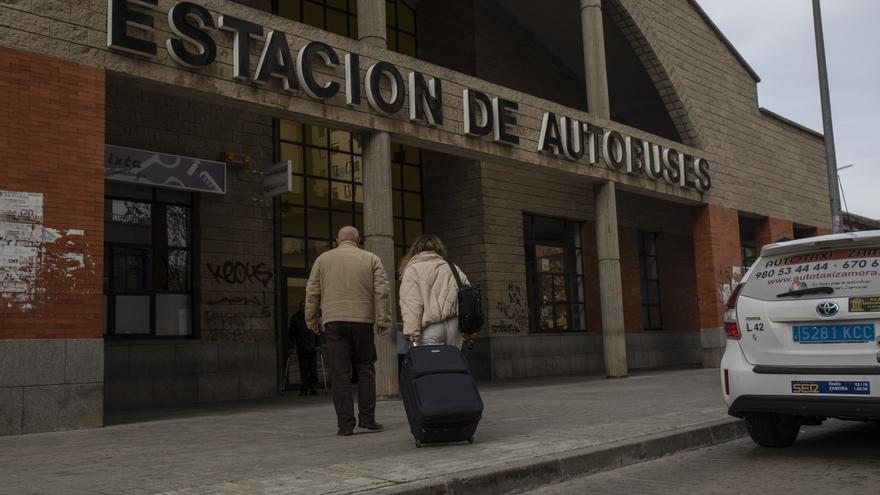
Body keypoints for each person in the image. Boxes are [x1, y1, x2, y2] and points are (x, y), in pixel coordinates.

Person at [305, 226, 391, 436]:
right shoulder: (371, 259)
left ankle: (345, 425)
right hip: (362, 321)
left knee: (340, 374)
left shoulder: (323, 260)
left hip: (334, 321)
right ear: (358, 240)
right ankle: (368, 419)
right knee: (365, 368)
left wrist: (312, 320)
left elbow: (312, 292)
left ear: (337, 240)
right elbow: (382, 290)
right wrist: (383, 319)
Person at [398, 234, 469, 349]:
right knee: (453, 364)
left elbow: (411, 302)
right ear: (439, 249)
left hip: (431, 328)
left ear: (417, 249)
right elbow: (467, 295)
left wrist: (412, 331)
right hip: (455, 327)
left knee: (432, 365)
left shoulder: (413, 269)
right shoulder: (453, 268)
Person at [289, 300, 318, 396]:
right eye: (302, 306)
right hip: (302, 347)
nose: (304, 308)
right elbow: (292, 333)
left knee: (313, 369)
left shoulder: (312, 317)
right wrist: (291, 347)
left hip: (312, 346)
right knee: (304, 369)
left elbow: (317, 332)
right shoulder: (296, 318)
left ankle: (313, 387)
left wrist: (318, 345)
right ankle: (304, 388)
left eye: (305, 306)